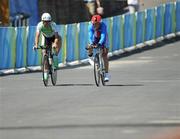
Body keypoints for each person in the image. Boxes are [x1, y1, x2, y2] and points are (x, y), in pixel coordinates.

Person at [34, 13, 62, 80]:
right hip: (46, 38)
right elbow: (37, 36)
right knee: (44, 53)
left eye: (48, 22)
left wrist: (55, 43)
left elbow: (56, 37)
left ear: (50, 21)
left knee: (57, 44)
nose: (47, 23)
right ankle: (46, 72)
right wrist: (36, 45)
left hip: (54, 37)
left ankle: (55, 57)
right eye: (45, 22)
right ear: (42, 21)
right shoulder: (39, 25)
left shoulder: (53, 25)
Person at [86, 14, 110, 82]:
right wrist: (91, 43)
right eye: (94, 24)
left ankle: (106, 74)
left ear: (100, 23)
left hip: (103, 38)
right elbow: (90, 36)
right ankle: (90, 57)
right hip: (95, 37)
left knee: (104, 55)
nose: (95, 25)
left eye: (97, 24)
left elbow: (103, 36)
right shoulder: (90, 26)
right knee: (90, 45)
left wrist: (100, 44)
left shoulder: (103, 25)